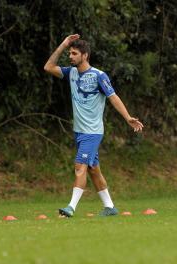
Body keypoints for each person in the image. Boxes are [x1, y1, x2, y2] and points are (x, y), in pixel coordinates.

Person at [44, 34, 144, 217]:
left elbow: (113, 97)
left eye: (74, 53)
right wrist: (63, 44)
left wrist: (127, 117)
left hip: (93, 132)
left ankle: (70, 208)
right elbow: (48, 67)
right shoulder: (71, 73)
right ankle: (110, 207)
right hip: (79, 132)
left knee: (80, 166)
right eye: (70, 53)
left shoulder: (99, 76)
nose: (71, 56)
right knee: (93, 169)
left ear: (85, 56)